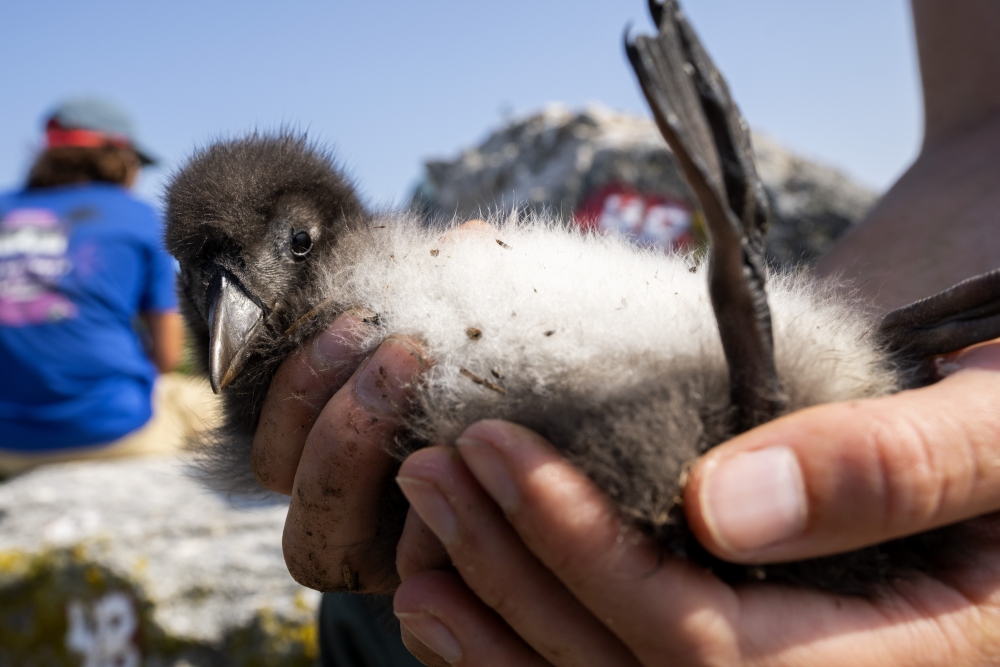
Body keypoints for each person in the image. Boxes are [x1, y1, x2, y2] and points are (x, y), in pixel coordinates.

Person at [253, 1, 1000, 665]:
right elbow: (978, 122)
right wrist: (858, 347)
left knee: (409, 591)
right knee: (407, 575)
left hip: (762, 470)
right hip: (796, 399)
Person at [0, 97, 209, 476]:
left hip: (7, 442)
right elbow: (166, 353)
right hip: (112, 430)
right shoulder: (140, 218)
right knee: (225, 406)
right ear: (119, 158)